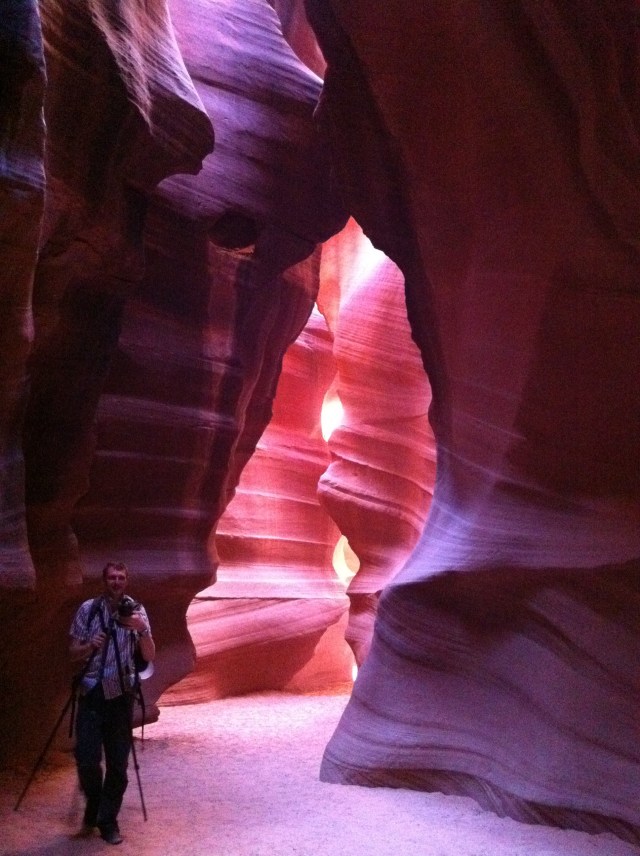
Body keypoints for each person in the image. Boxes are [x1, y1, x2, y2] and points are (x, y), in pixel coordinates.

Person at [69, 561, 155, 845]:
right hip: (92, 693)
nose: (116, 582)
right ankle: (95, 804)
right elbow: (72, 653)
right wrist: (90, 645)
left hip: (121, 696)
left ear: (126, 581)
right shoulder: (88, 610)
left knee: (118, 766)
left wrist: (142, 629)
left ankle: (107, 821)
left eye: (121, 577)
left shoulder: (137, 611)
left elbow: (149, 655)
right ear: (103, 580)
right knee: (86, 760)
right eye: (111, 577)